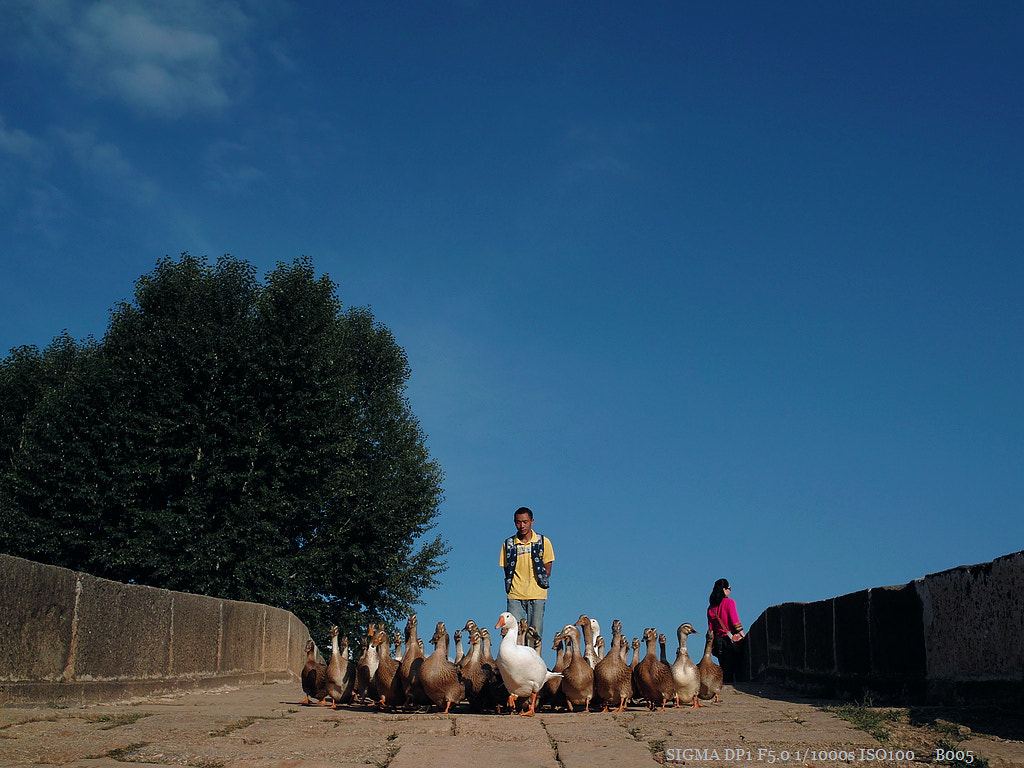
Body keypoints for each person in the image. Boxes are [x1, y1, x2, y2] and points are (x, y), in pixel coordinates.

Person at [499, 507, 555, 647]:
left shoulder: (543, 541)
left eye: (525, 522)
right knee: (513, 634)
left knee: (534, 635)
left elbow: (547, 569)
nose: (522, 525)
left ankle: (533, 666)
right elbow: (507, 570)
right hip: (515, 595)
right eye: (518, 522)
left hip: (537, 594)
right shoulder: (508, 544)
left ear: (532, 522)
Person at [707, 578, 745, 683]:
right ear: (724, 589)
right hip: (729, 640)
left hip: (718, 642)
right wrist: (743, 635)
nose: (730, 591)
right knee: (733, 669)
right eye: (729, 588)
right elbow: (735, 621)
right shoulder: (729, 602)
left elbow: (710, 628)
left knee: (724, 668)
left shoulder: (711, 608)